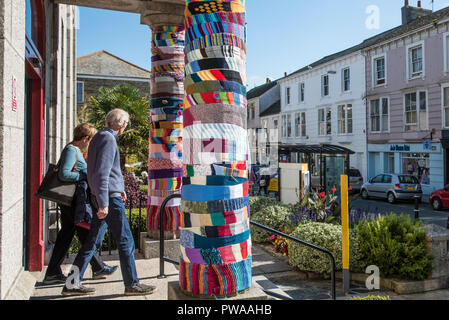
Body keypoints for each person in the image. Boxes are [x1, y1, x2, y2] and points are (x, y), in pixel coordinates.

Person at [62, 109, 156, 296]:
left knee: (91, 243)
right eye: (126, 123)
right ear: (121, 124)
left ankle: (71, 285)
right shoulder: (108, 139)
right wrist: (104, 202)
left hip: (104, 196)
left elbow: (100, 171)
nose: (126, 126)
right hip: (108, 200)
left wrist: (117, 188)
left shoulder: (99, 137)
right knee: (126, 241)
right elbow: (101, 173)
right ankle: (132, 284)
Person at [43, 123, 117, 285]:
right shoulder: (72, 150)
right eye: (90, 140)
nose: (90, 144)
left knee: (67, 236)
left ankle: (54, 273)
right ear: (85, 138)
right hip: (73, 203)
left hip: (71, 203)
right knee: (86, 235)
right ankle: (95, 268)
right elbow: (64, 174)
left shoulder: (72, 150)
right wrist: (85, 175)